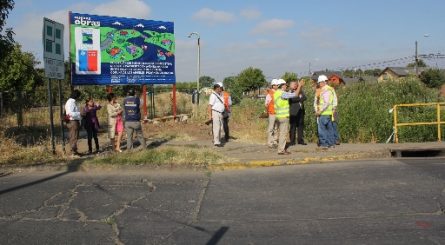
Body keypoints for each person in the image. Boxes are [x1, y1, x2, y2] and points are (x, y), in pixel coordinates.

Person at [274, 78, 304, 155]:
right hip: (284, 116)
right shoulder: (282, 93)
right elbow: (295, 95)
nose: (286, 87)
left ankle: (281, 148)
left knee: (281, 133)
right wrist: (300, 85)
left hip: (278, 116)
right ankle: (281, 150)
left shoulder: (276, 93)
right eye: (285, 85)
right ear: (282, 86)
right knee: (283, 134)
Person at [314, 75, 336, 149]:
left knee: (322, 130)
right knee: (330, 129)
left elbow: (326, 103)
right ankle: (331, 144)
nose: (319, 84)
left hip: (323, 113)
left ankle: (325, 144)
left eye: (319, 82)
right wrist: (334, 108)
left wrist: (319, 111)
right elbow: (334, 101)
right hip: (329, 113)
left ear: (323, 82)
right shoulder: (331, 89)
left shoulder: (325, 90)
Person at [288, 80, 307, 145]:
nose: (295, 85)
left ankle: (300, 140)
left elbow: (305, 98)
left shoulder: (300, 91)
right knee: (293, 127)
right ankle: (292, 141)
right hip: (293, 112)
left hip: (301, 111)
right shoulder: (289, 92)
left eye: (296, 84)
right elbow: (292, 99)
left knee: (300, 126)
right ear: (290, 86)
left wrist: (298, 98)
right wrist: (299, 97)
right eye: (293, 84)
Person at [64, 90, 81, 156]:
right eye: (78, 96)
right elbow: (69, 113)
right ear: (76, 96)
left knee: (75, 136)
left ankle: (75, 151)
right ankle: (73, 153)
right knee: (73, 137)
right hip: (72, 121)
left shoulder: (72, 102)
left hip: (75, 121)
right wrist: (79, 113)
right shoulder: (70, 102)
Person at [208, 83, 225, 147]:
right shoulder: (213, 95)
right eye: (221, 88)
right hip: (215, 112)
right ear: (217, 88)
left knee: (220, 128)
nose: (222, 89)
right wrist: (210, 115)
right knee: (216, 127)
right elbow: (210, 106)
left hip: (220, 113)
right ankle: (216, 142)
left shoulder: (220, 95)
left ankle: (218, 140)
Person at [265, 79, 279, 148]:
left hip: (278, 113)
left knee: (276, 128)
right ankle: (270, 142)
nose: (276, 86)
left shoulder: (279, 92)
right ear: (272, 86)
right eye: (275, 85)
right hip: (272, 113)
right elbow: (266, 104)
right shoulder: (270, 94)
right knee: (271, 128)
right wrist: (268, 111)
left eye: (277, 85)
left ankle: (275, 141)